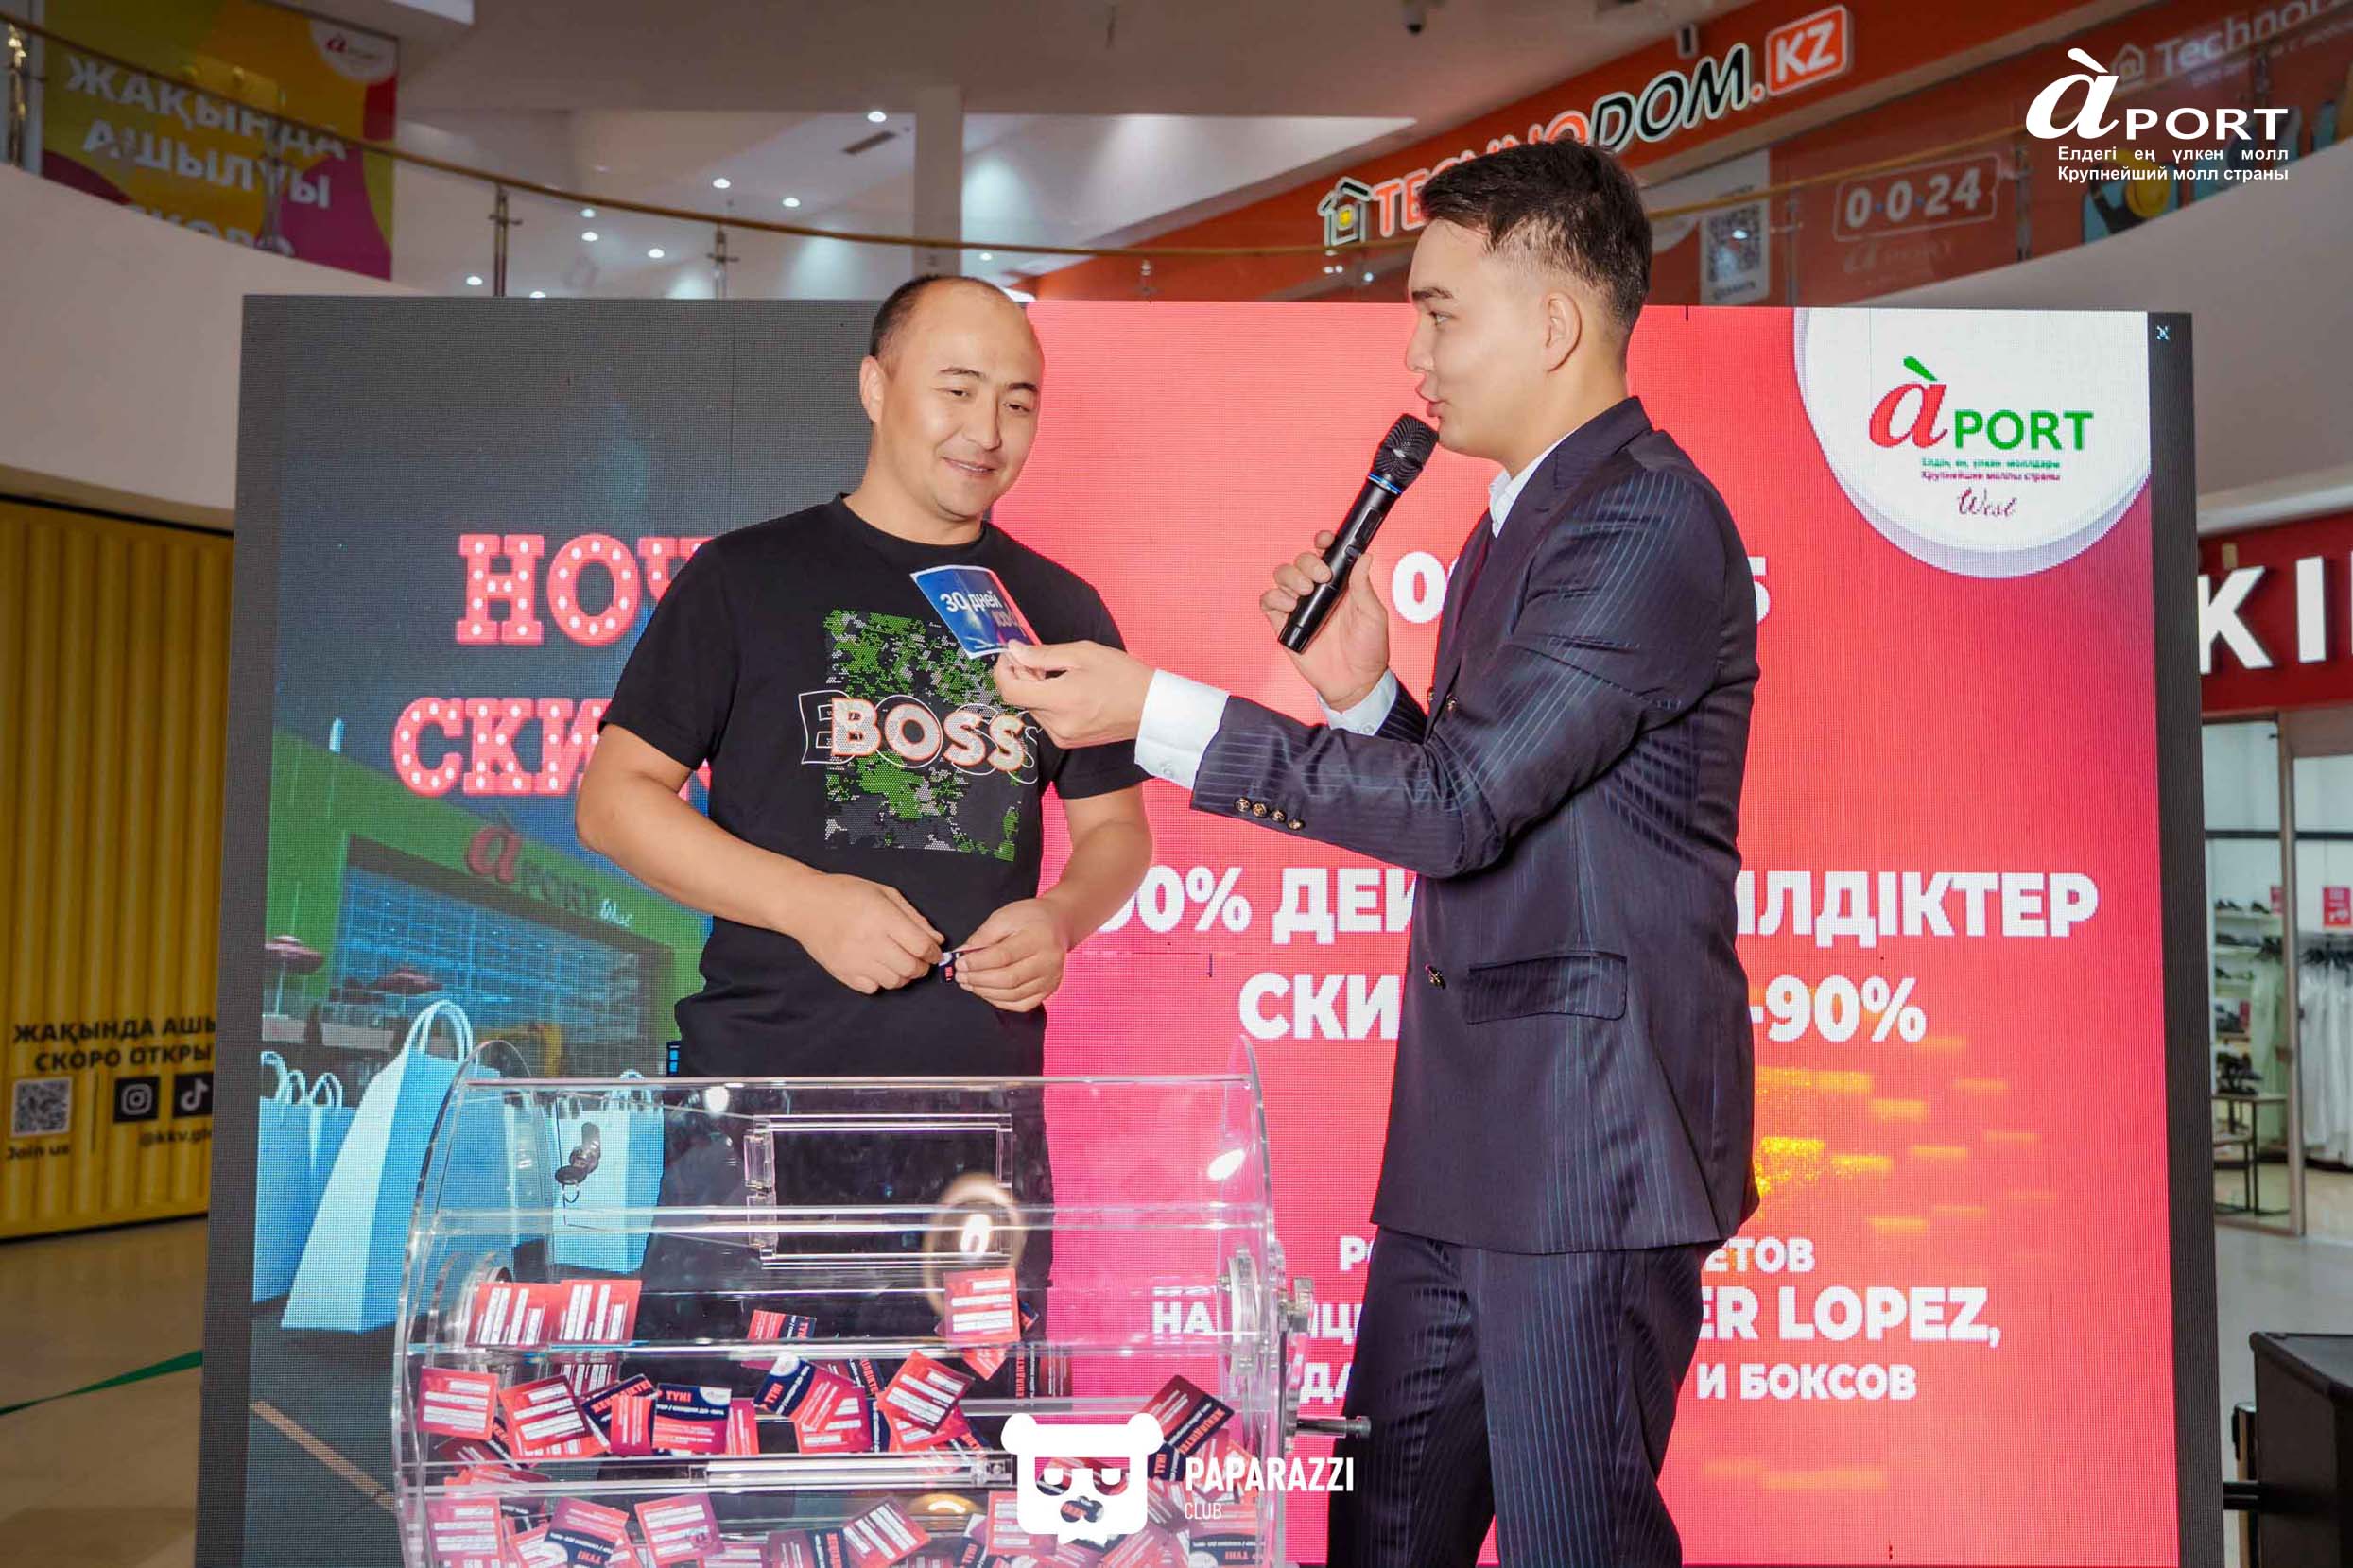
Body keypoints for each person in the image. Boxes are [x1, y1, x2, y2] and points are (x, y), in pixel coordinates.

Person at [994, 142, 1758, 1567]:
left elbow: (1460, 809)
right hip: (1468, 1142)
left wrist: (1153, 712)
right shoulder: (1516, 526)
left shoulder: (1644, 520)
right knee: (1379, 1530)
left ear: (1553, 322)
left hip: (1583, 1155)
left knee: (1573, 1542)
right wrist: (1363, 696)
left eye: (1438, 313)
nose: (1414, 357)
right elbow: (1489, 814)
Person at [575, 276, 1151, 1504]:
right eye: (956, 389)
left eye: (1017, 401)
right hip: (761, 1114)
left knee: (952, 1496)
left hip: (976, 1128)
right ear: (876, 387)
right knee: (715, 1488)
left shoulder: (1058, 610)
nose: (985, 430)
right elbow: (615, 800)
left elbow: (1116, 833)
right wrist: (806, 903)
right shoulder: (746, 579)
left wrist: (1060, 917)